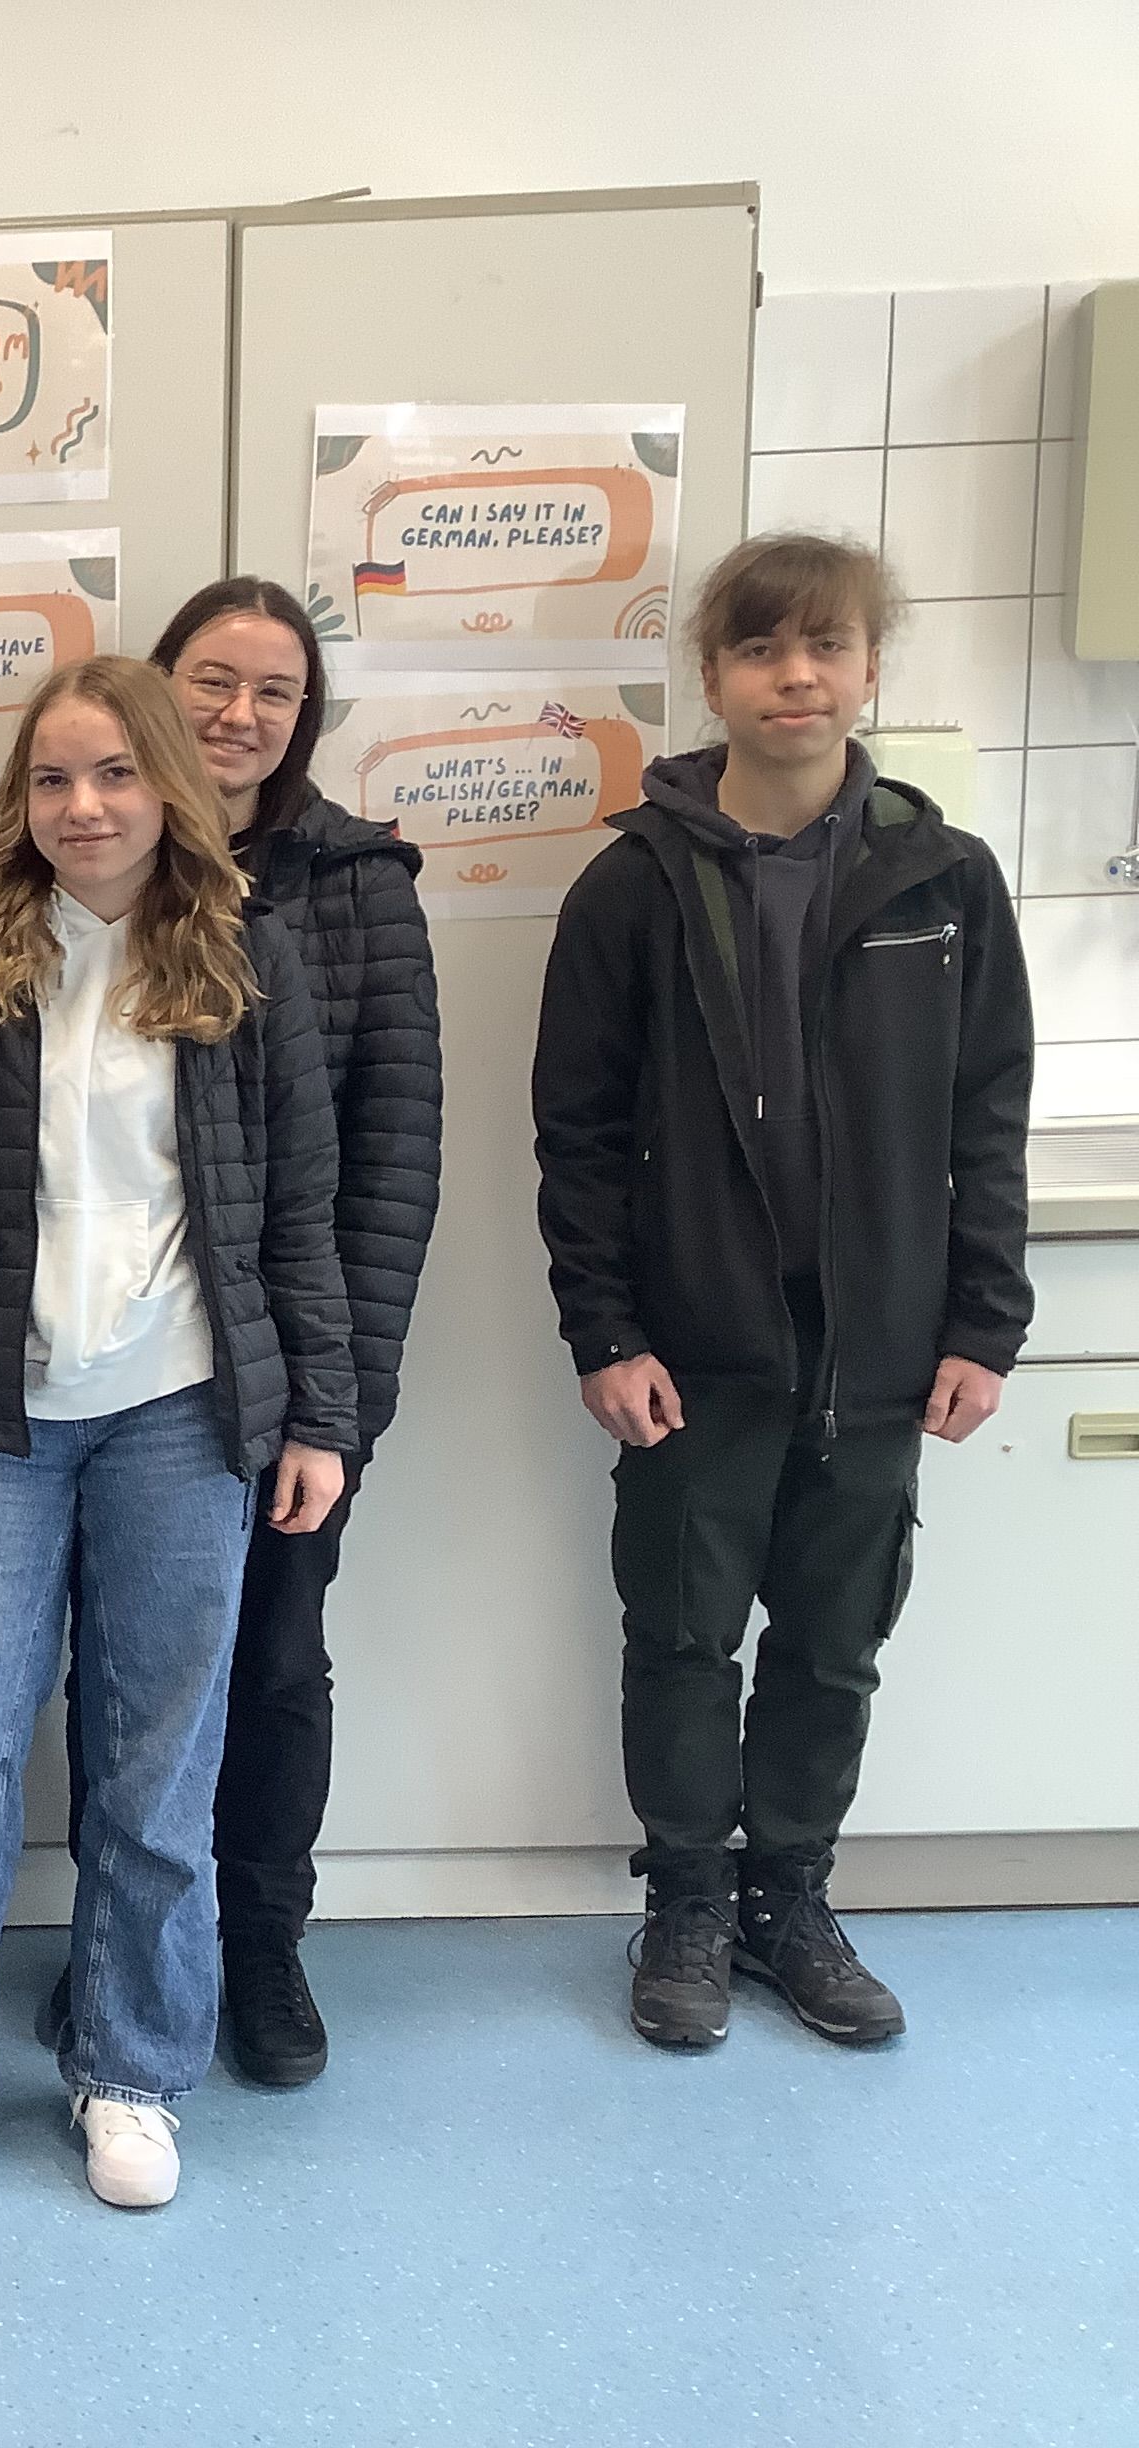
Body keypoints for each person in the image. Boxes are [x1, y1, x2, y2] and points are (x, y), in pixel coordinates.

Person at [0, 656, 354, 2222]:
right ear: (20, 800)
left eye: (116, 774)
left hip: (182, 1419)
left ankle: (132, 2071)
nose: (84, 806)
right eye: (52, 779)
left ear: (168, 787)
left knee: (155, 1763)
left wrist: (319, 1413)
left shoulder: (248, 960)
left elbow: (300, 1212)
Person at [532, 533, 1032, 2053]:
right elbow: (577, 1133)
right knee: (683, 1638)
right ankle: (689, 1900)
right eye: (760, 650)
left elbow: (988, 1118)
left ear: (870, 668)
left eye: (825, 647)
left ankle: (789, 1900)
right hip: (695, 1351)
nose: (794, 676)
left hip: (879, 1350)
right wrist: (604, 1331)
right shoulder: (633, 885)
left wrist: (984, 1323)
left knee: (831, 1643)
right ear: (714, 675)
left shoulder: (946, 881)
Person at [43, 579, 443, 2088]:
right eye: (212, 680)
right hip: (124, 1367)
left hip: (289, 1372)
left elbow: (393, 1157)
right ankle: (120, 1959)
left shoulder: (355, 887)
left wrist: (338, 1405)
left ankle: (260, 1948)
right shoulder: (88, 878)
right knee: (120, 1676)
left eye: (276, 691)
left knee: (271, 1664)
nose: (240, 714)